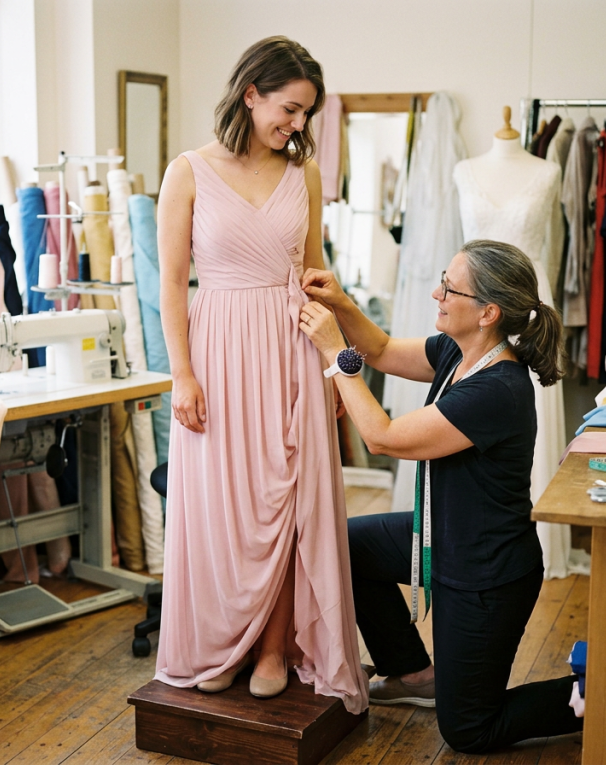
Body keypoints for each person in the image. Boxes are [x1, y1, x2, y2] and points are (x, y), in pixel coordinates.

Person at [299, 239, 583, 751]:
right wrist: (341, 303)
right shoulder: (460, 351)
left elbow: (381, 437)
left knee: (469, 730)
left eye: (450, 288)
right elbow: (382, 351)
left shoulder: (497, 389)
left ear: (487, 312)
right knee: (348, 545)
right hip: (442, 531)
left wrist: (333, 356)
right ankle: (412, 674)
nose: (437, 293)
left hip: (486, 573)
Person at [154, 36, 367, 712]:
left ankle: (275, 645)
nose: (298, 125)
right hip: (216, 348)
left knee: (288, 495)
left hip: (292, 346)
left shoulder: (302, 175)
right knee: (222, 502)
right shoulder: (186, 172)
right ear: (252, 94)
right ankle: (227, 642)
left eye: (307, 114)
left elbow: (314, 270)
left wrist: (337, 366)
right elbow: (170, 284)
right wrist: (181, 373)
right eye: (291, 108)